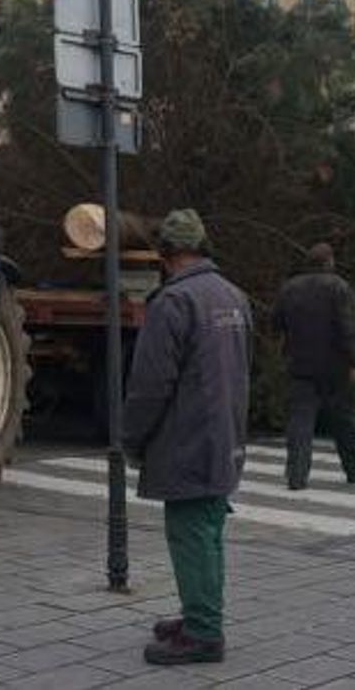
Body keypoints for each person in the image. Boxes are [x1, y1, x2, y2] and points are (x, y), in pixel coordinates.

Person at [122, 209, 252, 666]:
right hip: (225, 435)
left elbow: (150, 384)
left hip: (188, 438)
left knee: (190, 531)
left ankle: (203, 632)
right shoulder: (233, 296)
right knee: (209, 528)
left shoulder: (174, 302)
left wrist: (131, 437)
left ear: (166, 254)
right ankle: (201, 614)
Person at [272, 243, 355, 490]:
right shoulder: (338, 287)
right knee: (344, 420)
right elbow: (349, 328)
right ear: (329, 262)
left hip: (300, 365)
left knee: (300, 422)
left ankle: (297, 474)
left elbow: (276, 322)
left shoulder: (290, 288)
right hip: (334, 367)